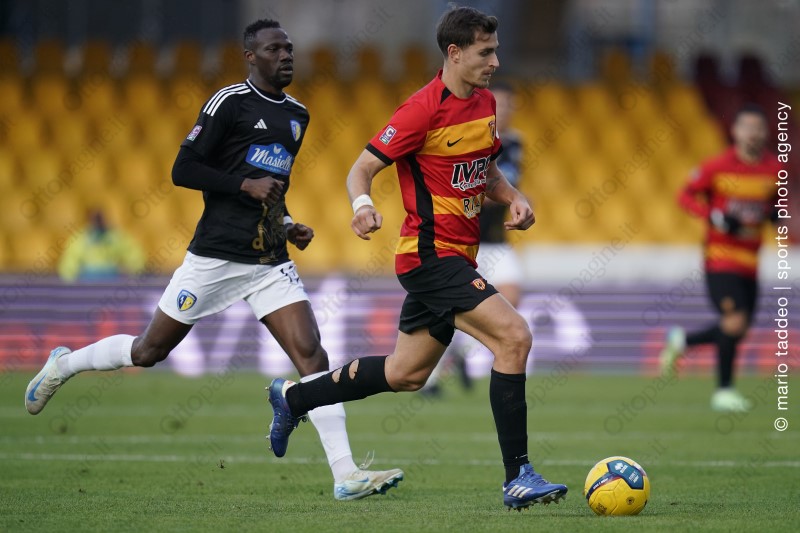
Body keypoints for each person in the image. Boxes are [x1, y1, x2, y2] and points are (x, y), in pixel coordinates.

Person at [25, 19, 403, 502]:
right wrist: (244, 185)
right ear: (251, 56)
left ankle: (345, 474)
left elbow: (274, 187)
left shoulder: (297, 115)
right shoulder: (229, 102)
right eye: (275, 49)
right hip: (215, 256)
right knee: (148, 351)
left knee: (313, 355)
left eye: (289, 49)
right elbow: (183, 168)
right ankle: (65, 364)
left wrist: (288, 223)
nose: (286, 56)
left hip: (269, 260)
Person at [266, 6, 568, 510]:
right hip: (430, 256)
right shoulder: (421, 111)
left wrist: (513, 196)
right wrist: (362, 207)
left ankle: (293, 398)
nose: (495, 61)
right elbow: (360, 170)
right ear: (455, 53)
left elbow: (486, 171)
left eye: (495, 51)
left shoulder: (485, 104)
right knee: (515, 337)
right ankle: (518, 476)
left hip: (459, 258)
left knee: (406, 374)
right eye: (486, 52)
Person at [660, 103, 780, 412]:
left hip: (751, 262)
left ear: (765, 132)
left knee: (738, 328)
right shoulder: (717, 166)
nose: (753, 133)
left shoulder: (773, 169)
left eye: (758, 128)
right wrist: (713, 216)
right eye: (747, 127)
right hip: (721, 257)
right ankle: (723, 391)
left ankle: (682, 342)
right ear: (736, 131)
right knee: (735, 319)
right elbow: (685, 196)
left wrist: (776, 216)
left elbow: (773, 206)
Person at [420, 80, 525, 395]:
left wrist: (511, 196)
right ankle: (433, 375)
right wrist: (504, 195)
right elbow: (476, 187)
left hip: (496, 240)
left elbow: (501, 183)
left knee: (510, 299)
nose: (504, 110)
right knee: (453, 309)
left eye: (509, 104)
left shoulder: (514, 143)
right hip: (463, 241)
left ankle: (459, 353)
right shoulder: (470, 137)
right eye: (499, 104)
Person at [58, 209, 146, 282]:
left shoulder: (117, 237)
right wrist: (74, 280)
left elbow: (136, 259)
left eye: (100, 219)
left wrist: (129, 270)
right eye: (95, 219)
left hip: (114, 285)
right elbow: (67, 269)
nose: (98, 223)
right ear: (88, 220)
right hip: (86, 287)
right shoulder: (79, 240)